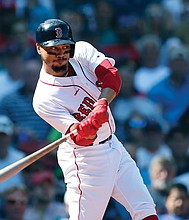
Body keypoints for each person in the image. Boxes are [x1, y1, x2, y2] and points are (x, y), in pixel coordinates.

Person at [32, 18, 159, 220]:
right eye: (53, 49)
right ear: (39, 48)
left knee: (146, 211)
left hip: (114, 145)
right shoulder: (43, 99)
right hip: (86, 160)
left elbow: (111, 76)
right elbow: (83, 139)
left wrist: (101, 104)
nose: (60, 54)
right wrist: (90, 123)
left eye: (65, 47)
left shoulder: (81, 51)